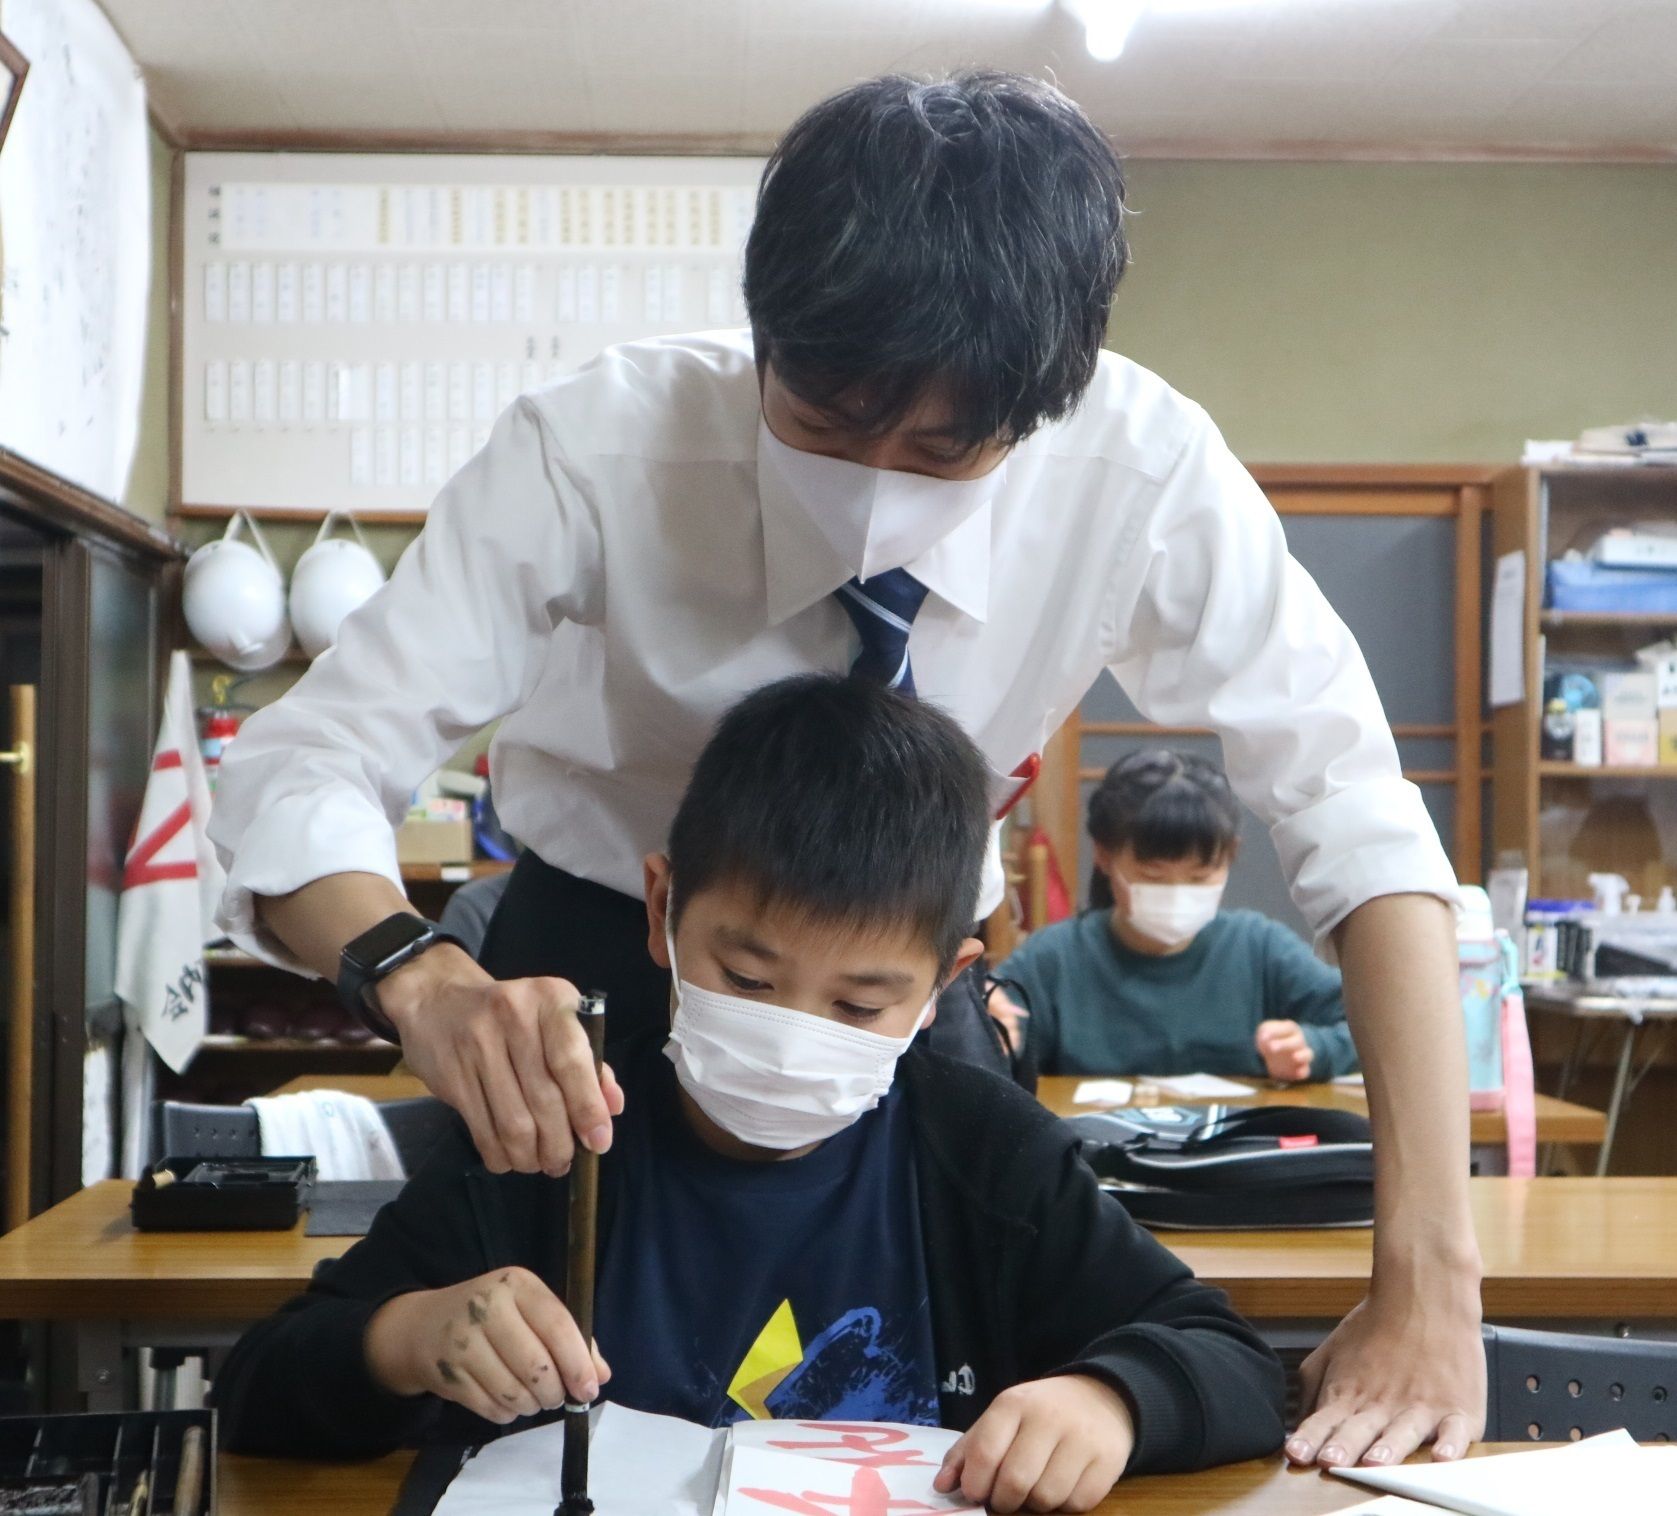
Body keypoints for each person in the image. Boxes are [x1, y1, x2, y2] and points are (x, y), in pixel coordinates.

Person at [209, 71, 1484, 1470]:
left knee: (927, 1357)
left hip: (891, 999)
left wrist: (1427, 1277)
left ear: (1045, 404)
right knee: (530, 1386)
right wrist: (414, 972)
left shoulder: (1143, 475)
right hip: (593, 970)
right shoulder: (597, 445)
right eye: (822, 419)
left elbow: (1355, 817)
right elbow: (304, 761)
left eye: (941, 448)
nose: (875, 489)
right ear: (766, 335)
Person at [209, 677, 1286, 1513]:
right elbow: (260, 1386)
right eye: (749, 978)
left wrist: (1110, 1399)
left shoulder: (981, 1147)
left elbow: (1230, 1358)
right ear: (663, 909)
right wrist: (411, 1335)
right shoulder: (559, 1131)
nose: (790, 1033)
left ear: (945, 984)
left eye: (861, 1005)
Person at [993, 751, 1358, 1083]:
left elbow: (1373, 1028)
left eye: (1200, 877)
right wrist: (992, 1030)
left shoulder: (1261, 949)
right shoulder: (1055, 959)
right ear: (1104, 856)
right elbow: (988, 1031)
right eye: (1153, 875)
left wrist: (1314, 1048)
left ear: (1230, 856)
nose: (1178, 891)